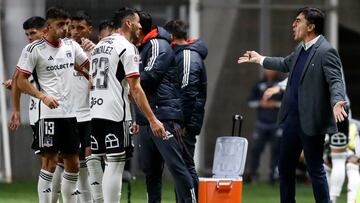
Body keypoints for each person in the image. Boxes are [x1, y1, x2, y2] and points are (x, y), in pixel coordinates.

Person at [238, 7, 347, 203]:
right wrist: (260, 59)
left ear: (311, 27)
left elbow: (336, 80)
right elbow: (285, 63)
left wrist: (338, 100)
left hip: (311, 121)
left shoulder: (325, 50)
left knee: (315, 169)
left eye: (298, 21)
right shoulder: (301, 49)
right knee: (285, 167)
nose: (293, 24)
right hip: (291, 120)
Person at [90, 7, 166, 203]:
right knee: (115, 163)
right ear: (128, 23)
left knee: (101, 163)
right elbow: (136, 89)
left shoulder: (99, 46)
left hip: (94, 112)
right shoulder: (126, 46)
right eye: (138, 22)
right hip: (115, 113)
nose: (141, 27)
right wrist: (152, 119)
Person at [16, 7, 90, 203]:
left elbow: (88, 66)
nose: (65, 28)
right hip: (47, 115)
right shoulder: (33, 49)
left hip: (70, 113)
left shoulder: (71, 47)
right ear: (49, 26)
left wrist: (92, 73)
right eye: (61, 25)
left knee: (73, 164)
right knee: (49, 163)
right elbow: (21, 81)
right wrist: (42, 96)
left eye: (67, 24)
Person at [137, 11, 196, 203]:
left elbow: (149, 77)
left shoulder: (157, 44)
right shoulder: (139, 47)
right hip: (147, 118)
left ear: (140, 27)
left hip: (164, 116)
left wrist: (125, 79)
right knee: (151, 171)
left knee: (177, 167)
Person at [164, 19, 207, 201]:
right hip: (183, 119)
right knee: (181, 166)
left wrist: (181, 121)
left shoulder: (188, 56)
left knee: (185, 166)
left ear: (172, 37)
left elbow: (188, 92)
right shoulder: (183, 54)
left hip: (185, 122)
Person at [247, 69, 283, 184]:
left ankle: (275, 176)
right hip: (262, 123)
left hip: (277, 123)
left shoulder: (281, 85)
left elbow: (288, 102)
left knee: (277, 150)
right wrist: (260, 103)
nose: (269, 72)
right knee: (256, 149)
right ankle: (252, 175)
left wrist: (275, 104)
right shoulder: (259, 85)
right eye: (267, 69)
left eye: (271, 69)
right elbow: (250, 102)